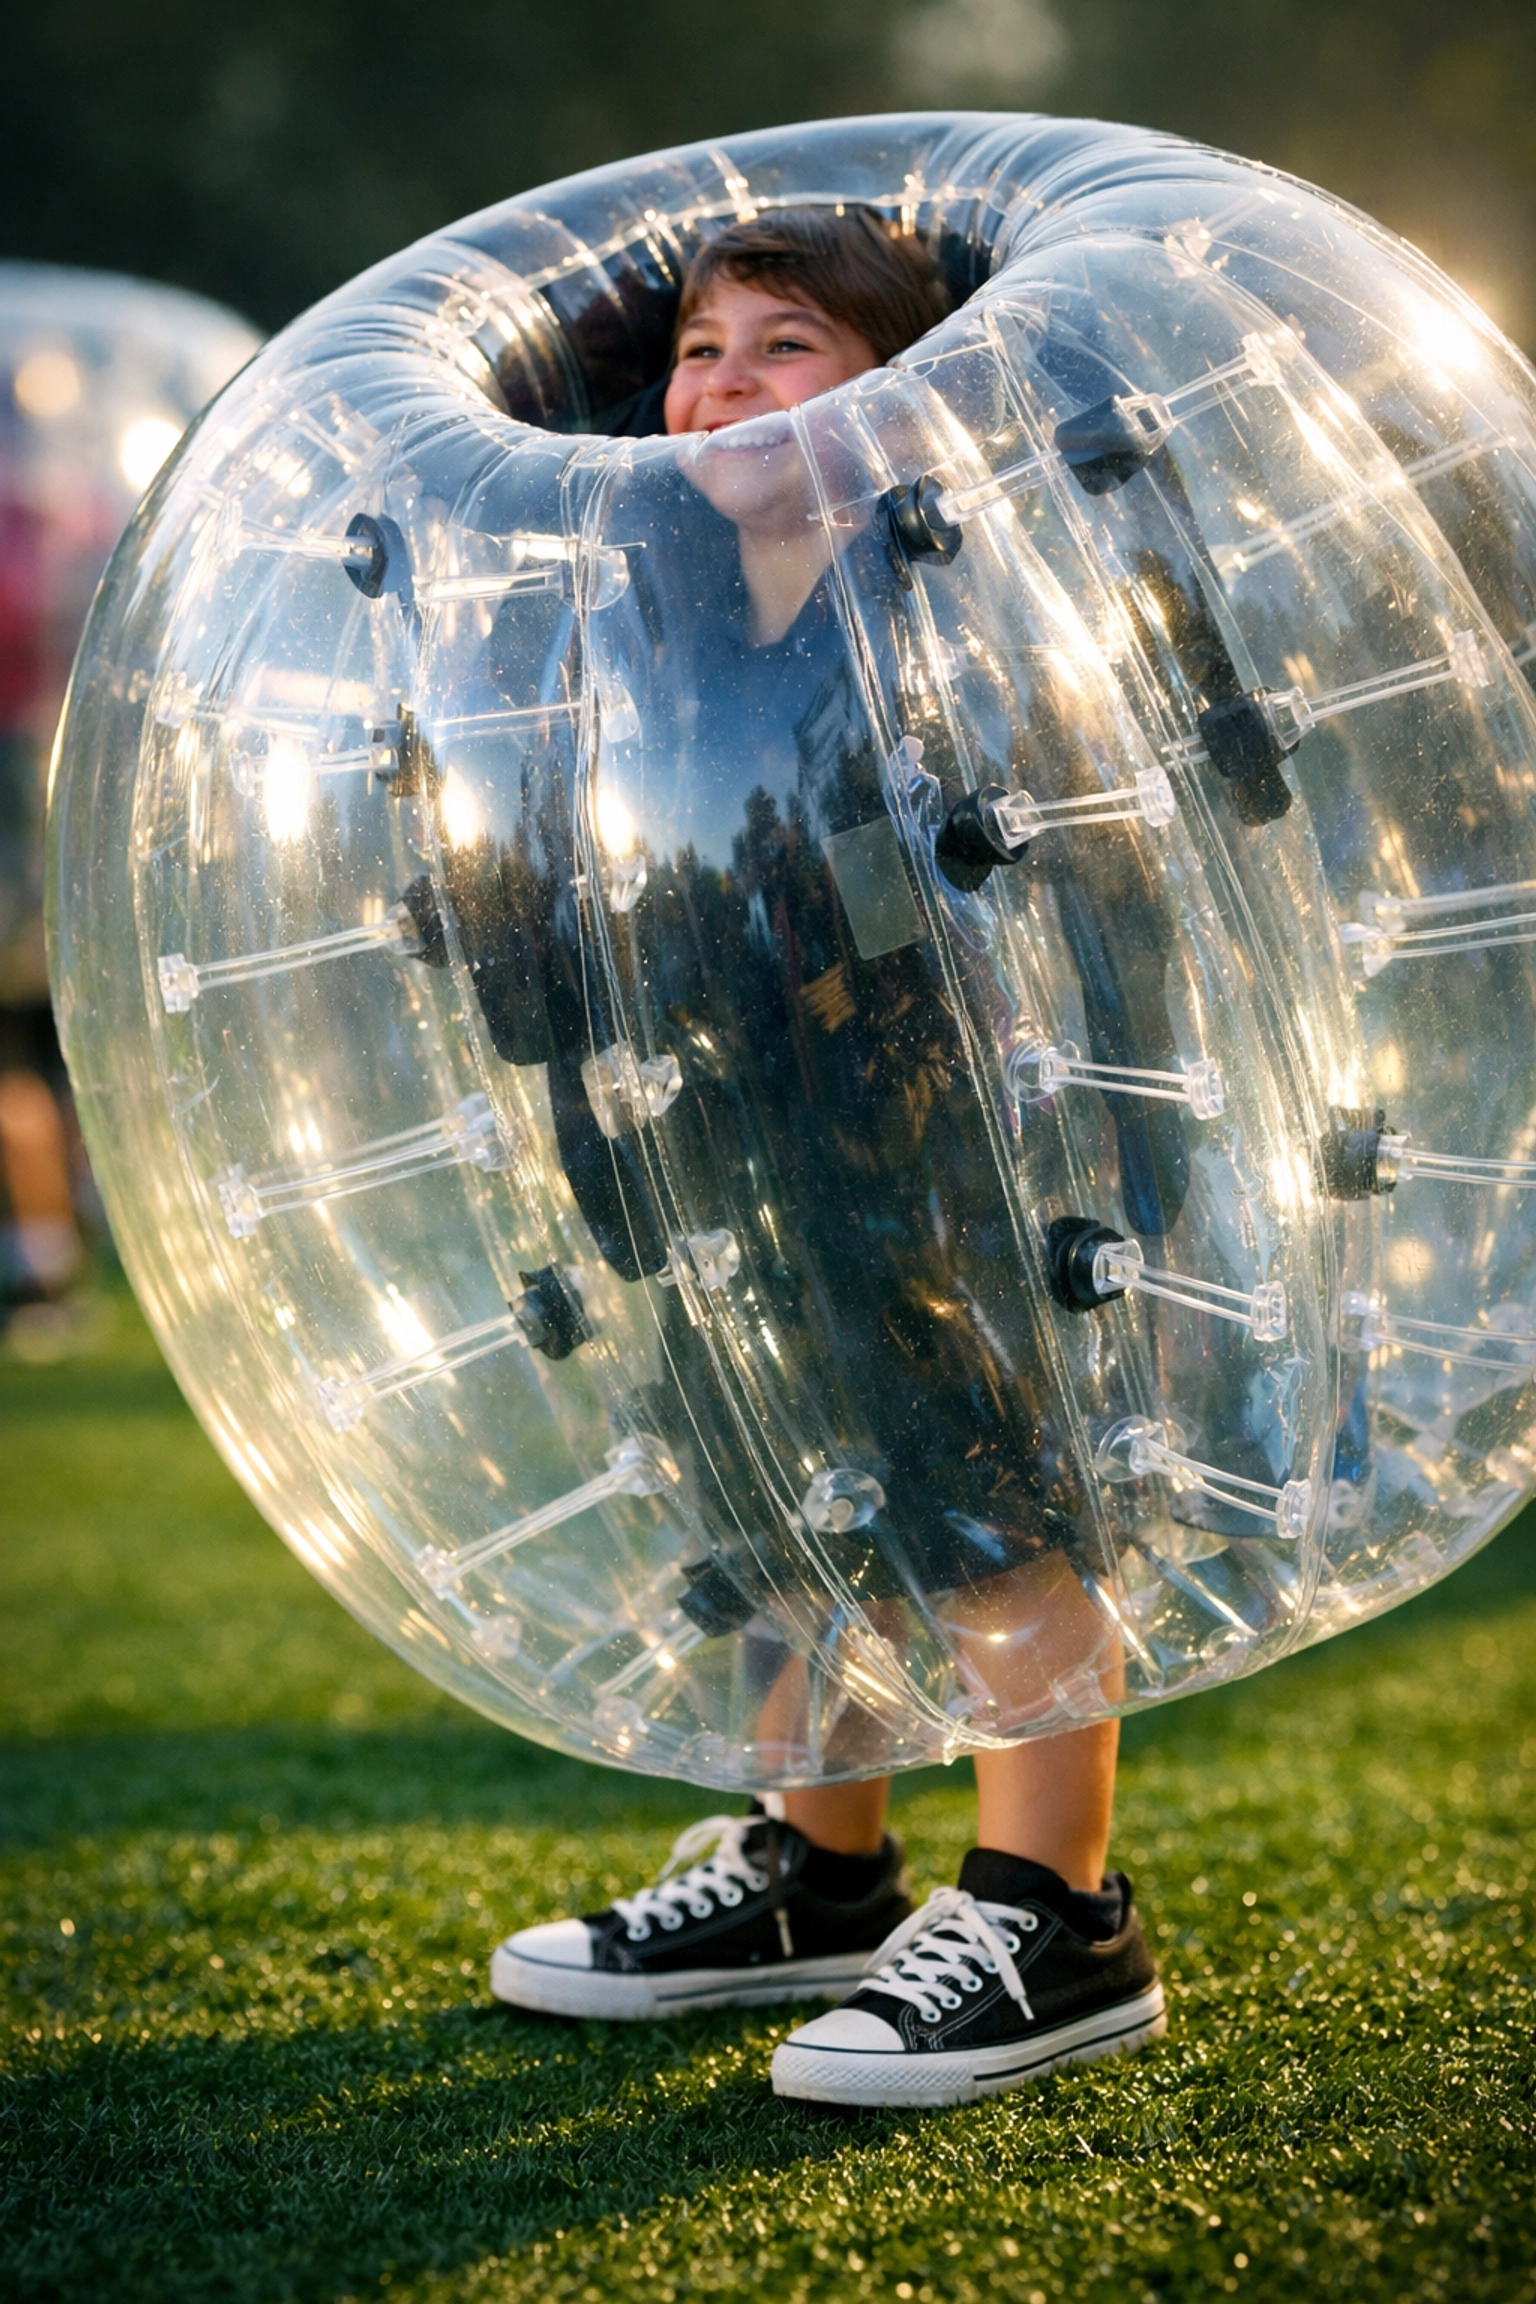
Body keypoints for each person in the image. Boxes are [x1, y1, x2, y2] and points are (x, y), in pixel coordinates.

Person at [488, 208, 1164, 2109]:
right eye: (702, 349)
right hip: (736, 1132)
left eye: (790, 344)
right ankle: (819, 1866)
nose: (726, 382)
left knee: (984, 1483)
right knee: (799, 1481)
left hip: (941, 1128)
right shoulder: (662, 619)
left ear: (902, 391)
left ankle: (1057, 1907)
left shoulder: (950, 592)